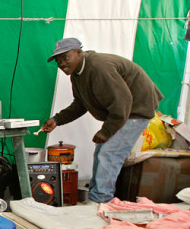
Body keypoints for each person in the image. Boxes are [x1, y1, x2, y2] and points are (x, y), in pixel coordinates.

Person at [39, 38, 163, 203]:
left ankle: (101, 201)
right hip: (124, 111)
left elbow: (122, 102)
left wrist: (106, 132)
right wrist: (57, 119)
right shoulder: (77, 74)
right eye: (58, 61)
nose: (61, 63)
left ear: (79, 52)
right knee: (102, 152)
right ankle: (97, 198)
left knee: (109, 153)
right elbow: (81, 104)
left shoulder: (98, 67)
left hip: (136, 110)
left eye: (65, 57)